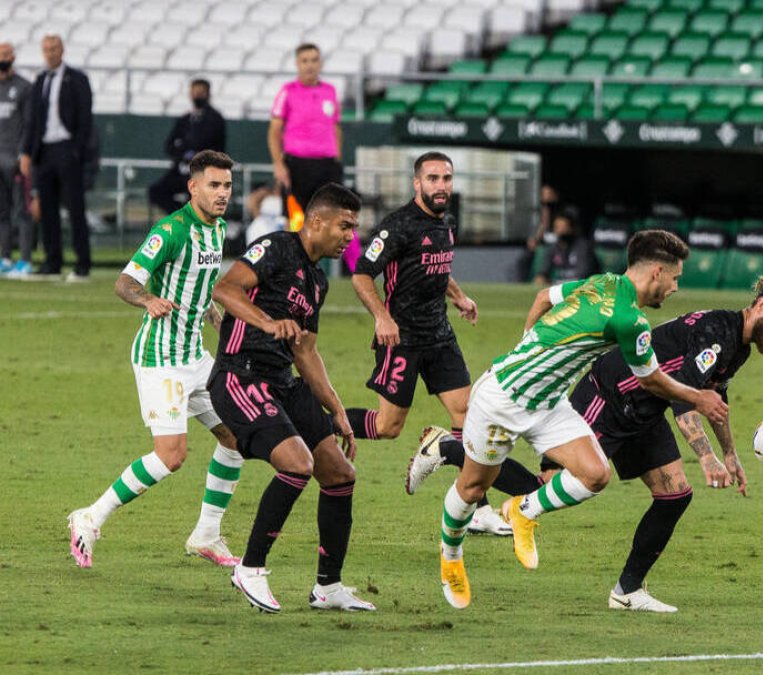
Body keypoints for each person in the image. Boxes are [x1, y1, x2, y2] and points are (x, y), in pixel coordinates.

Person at [435, 230, 730, 609]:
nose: (675, 287)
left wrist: (527, 343)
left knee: (595, 474)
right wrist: (699, 397)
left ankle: (521, 512)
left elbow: (543, 297)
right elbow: (651, 379)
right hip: (501, 401)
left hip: (550, 403)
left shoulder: (604, 281)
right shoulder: (630, 321)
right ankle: (452, 557)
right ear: (657, 272)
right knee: (472, 489)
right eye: (675, 278)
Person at [565, 277, 763, 612]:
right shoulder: (717, 332)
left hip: (644, 411)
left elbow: (714, 399)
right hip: (609, 397)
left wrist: (730, 455)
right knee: (552, 484)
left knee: (674, 495)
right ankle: (474, 484)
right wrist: (706, 458)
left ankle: (627, 591)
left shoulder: (739, 345)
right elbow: (685, 400)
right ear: (762, 305)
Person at [67, 151, 244, 570]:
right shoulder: (171, 231)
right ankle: (90, 517)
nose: (222, 194)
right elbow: (124, 283)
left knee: (238, 436)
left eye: (227, 186)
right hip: (160, 357)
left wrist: (222, 326)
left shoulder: (217, 230)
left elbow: (202, 290)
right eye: (214, 185)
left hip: (195, 356)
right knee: (171, 455)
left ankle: (206, 535)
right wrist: (147, 299)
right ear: (193, 187)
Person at [345, 151, 532, 535]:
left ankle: (477, 508)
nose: (441, 185)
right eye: (432, 178)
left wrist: (459, 297)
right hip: (401, 338)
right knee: (388, 426)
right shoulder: (397, 226)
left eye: (446, 178)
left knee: (467, 416)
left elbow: (437, 268)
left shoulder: (446, 223)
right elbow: (362, 274)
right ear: (417, 184)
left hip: (439, 335)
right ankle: (322, 418)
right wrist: (382, 317)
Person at [209, 183, 373, 613]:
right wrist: (267, 322)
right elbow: (225, 290)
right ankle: (250, 568)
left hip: (282, 381)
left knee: (339, 473)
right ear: (315, 221)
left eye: (354, 228)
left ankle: (328, 587)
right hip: (239, 376)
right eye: (344, 225)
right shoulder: (276, 248)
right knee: (297, 464)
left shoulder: (318, 280)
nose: (349, 237)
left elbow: (306, 352)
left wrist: (337, 409)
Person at [267, 43, 359, 271]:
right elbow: (274, 131)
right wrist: (279, 165)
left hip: (327, 165)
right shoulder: (288, 91)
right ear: (297, 64)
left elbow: (335, 127)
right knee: (295, 220)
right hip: (297, 165)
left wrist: (336, 157)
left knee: (342, 216)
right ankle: (291, 270)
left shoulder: (330, 91)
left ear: (320, 63)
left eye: (314, 60)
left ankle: (358, 270)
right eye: (305, 60)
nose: (310, 65)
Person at [19, 34, 93, 281]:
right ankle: (52, 261)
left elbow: (85, 119)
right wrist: (28, 151)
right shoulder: (40, 80)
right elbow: (33, 121)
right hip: (45, 151)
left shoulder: (77, 79)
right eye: (46, 49)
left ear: (62, 50)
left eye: (54, 48)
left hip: (67, 148)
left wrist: (76, 150)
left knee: (74, 208)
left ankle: (82, 264)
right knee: (47, 208)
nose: (50, 53)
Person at [148, 79, 226, 215]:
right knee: (156, 192)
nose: (197, 96)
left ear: (208, 94)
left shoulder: (215, 120)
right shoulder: (185, 120)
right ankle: (182, 217)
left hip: (203, 172)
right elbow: (170, 145)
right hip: (181, 170)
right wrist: (183, 153)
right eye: (194, 92)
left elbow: (209, 145)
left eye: (201, 93)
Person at [0, 41, 34, 277]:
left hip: (16, 158)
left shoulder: (23, 87)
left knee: (22, 210)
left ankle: (25, 259)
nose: (4, 57)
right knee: (2, 211)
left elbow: (30, 124)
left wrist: (25, 154)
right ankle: (5, 257)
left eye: (7, 53)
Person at [533, 208, 597, 286]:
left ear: (572, 228)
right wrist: (541, 277)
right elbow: (542, 273)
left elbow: (583, 275)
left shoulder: (583, 247)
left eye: (564, 227)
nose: (560, 231)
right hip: (559, 285)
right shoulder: (553, 248)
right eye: (557, 227)